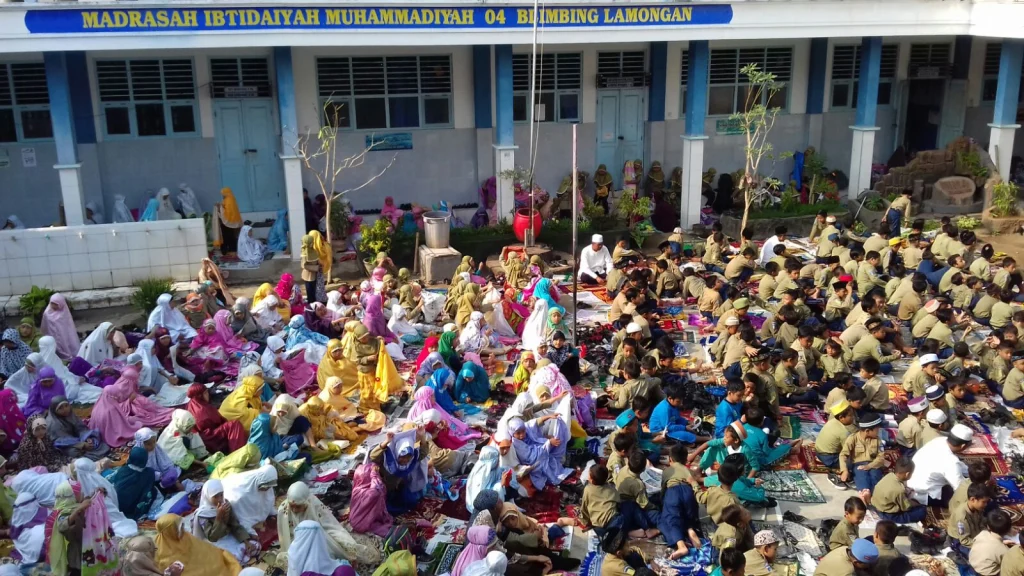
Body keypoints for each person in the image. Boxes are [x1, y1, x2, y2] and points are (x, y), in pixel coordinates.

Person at [277, 482, 379, 573]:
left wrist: (348, 546)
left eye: (298, 506)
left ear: (306, 501)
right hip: (297, 548)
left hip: (318, 542)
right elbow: (285, 536)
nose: (294, 510)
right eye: (292, 506)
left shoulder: (314, 505)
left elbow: (332, 527)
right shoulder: (284, 510)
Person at [88, 362, 173, 447]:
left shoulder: (100, 404)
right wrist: (130, 402)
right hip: (112, 432)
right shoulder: (111, 407)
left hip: (106, 429)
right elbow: (119, 424)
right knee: (138, 420)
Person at [154, 513, 242, 576]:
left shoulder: (185, 536)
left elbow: (204, 550)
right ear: (170, 531)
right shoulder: (162, 552)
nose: (183, 530)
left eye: (182, 526)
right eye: (179, 528)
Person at [907, 423, 972, 505]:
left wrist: (970, 472)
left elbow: (961, 467)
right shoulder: (951, 462)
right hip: (924, 494)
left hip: (912, 482)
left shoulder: (939, 440)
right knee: (962, 496)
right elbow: (959, 487)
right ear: (963, 446)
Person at [185, 383, 248, 455]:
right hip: (209, 439)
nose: (208, 394)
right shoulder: (203, 409)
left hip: (201, 438)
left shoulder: (191, 404)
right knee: (235, 424)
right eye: (205, 393)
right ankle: (237, 453)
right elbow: (216, 422)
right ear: (199, 395)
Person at [45, 395, 109, 460]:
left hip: (76, 439)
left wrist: (86, 438)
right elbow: (60, 441)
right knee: (72, 452)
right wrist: (81, 444)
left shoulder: (70, 415)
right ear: (54, 410)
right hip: (63, 445)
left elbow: (81, 428)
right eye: (60, 408)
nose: (65, 409)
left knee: (95, 441)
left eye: (66, 406)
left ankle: (87, 454)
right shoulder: (53, 423)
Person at [110, 447, 159, 521]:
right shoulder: (149, 473)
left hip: (117, 504)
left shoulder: (123, 470)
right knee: (154, 491)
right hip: (133, 508)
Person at [970, 509, 1013, 576]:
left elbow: (991, 546)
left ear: (988, 526)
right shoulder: (1004, 550)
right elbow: (1008, 563)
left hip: (973, 566)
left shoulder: (982, 534)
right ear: (1008, 530)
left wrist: (1002, 542)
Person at [40, 293, 79, 361]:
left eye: (56, 304)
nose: (53, 306)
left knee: (67, 344)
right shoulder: (47, 313)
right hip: (52, 334)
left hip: (64, 334)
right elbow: (45, 326)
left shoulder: (64, 312)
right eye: (52, 303)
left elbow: (68, 326)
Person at [814, 538, 879, 576]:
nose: (869, 565)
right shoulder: (848, 572)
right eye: (868, 564)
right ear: (856, 562)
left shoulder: (844, 548)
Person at [217, 188, 243, 255]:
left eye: (223, 193)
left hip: (227, 222)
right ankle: (234, 250)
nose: (222, 195)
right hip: (234, 222)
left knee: (227, 237)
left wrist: (219, 208)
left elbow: (225, 212)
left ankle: (230, 251)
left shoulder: (226, 201)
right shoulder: (233, 199)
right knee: (233, 237)